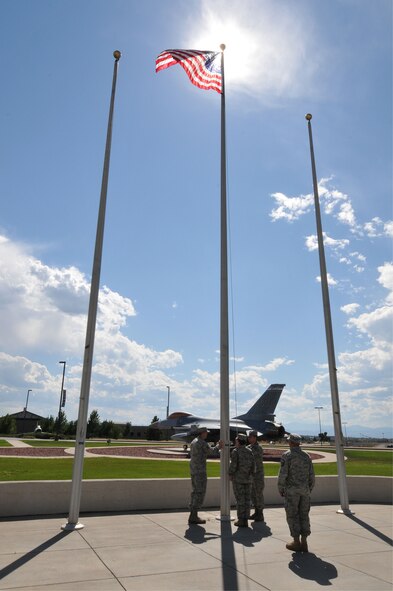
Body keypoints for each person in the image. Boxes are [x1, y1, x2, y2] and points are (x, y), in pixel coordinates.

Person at [278, 433, 315, 552]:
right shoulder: (306, 456)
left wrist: (280, 488)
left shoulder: (287, 455)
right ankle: (304, 541)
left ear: (292, 443)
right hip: (305, 491)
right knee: (304, 515)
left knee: (292, 515)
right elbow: (311, 475)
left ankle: (296, 541)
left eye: (289, 441)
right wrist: (309, 489)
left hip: (292, 491)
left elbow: (283, 474)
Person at [189, 427, 223, 524]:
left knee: (195, 491)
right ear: (202, 433)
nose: (207, 434)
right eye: (206, 433)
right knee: (199, 492)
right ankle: (193, 516)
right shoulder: (201, 443)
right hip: (200, 471)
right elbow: (212, 451)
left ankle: (193, 514)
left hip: (194, 470)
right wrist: (218, 446)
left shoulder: (194, 441)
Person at [229, 434, 256, 527]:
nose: (235, 442)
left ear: (239, 441)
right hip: (248, 480)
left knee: (240, 500)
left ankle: (241, 520)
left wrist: (230, 474)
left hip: (238, 480)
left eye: (236, 441)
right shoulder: (250, 451)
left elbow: (233, 466)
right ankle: (246, 520)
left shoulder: (236, 452)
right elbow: (254, 467)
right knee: (247, 500)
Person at [247, 430, 265, 522]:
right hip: (252, 475)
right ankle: (256, 512)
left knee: (258, 494)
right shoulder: (249, 447)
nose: (249, 438)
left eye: (250, 437)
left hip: (257, 475)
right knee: (253, 495)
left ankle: (260, 513)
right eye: (248, 437)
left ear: (255, 437)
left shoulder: (257, 448)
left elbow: (254, 461)